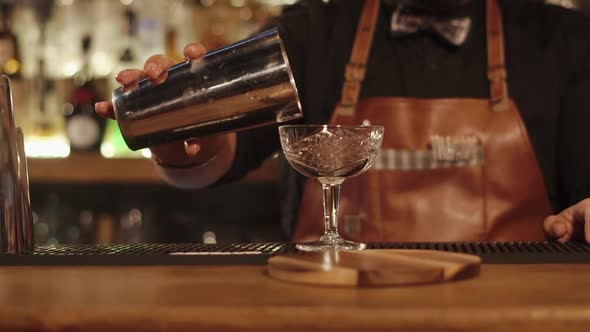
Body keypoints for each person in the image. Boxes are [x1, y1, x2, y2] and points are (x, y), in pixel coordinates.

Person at [96, 0, 590, 243]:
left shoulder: (561, 38)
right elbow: (219, 159)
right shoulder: (316, 31)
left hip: (514, 313)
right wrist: (180, 138)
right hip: (332, 312)